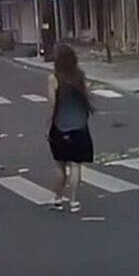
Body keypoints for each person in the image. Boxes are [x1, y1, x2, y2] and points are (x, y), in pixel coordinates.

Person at [46, 43, 95, 213]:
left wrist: (48, 125)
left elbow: (52, 104)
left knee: (59, 165)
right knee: (76, 165)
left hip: (60, 126)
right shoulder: (79, 76)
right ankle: (74, 201)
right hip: (80, 125)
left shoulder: (54, 78)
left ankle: (58, 198)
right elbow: (87, 96)